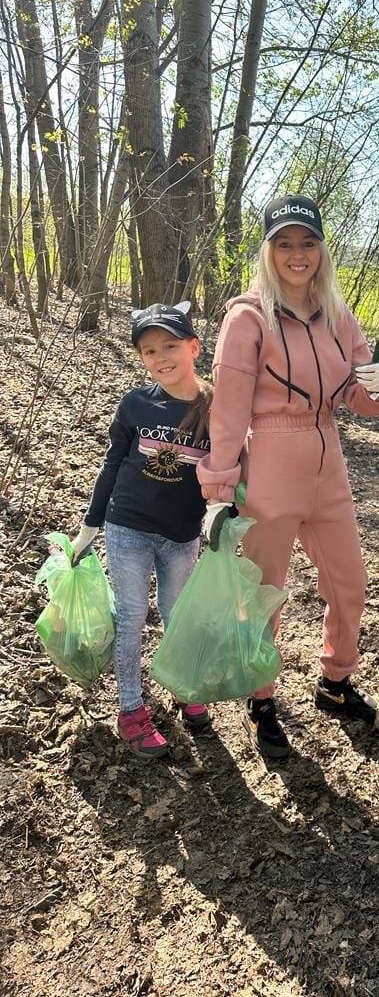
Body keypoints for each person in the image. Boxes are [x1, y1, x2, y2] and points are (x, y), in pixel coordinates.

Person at [197, 194, 379, 760]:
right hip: (269, 463)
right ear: (268, 250)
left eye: (307, 242)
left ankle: (335, 682)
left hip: (327, 462)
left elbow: (361, 395)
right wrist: (218, 491)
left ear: (321, 250)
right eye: (284, 243)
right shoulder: (247, 318)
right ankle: (261, 700)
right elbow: (228, 411)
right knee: (266, 593)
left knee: (350, 582)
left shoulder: (337, 313)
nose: (297, 254)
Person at [70, 301, 213, 759]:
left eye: (170, 346)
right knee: (132, 616)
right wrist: (89, 527)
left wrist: (224, 512)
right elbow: (111, 464)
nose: (160, 357)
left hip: (182, 534)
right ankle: (131, 709)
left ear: (194, 347)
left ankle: (182, 685)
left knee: (176, 614)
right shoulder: (135, 404)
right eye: (149, 351)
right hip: (127, 527)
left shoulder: (216, 407)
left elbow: (228, 468)